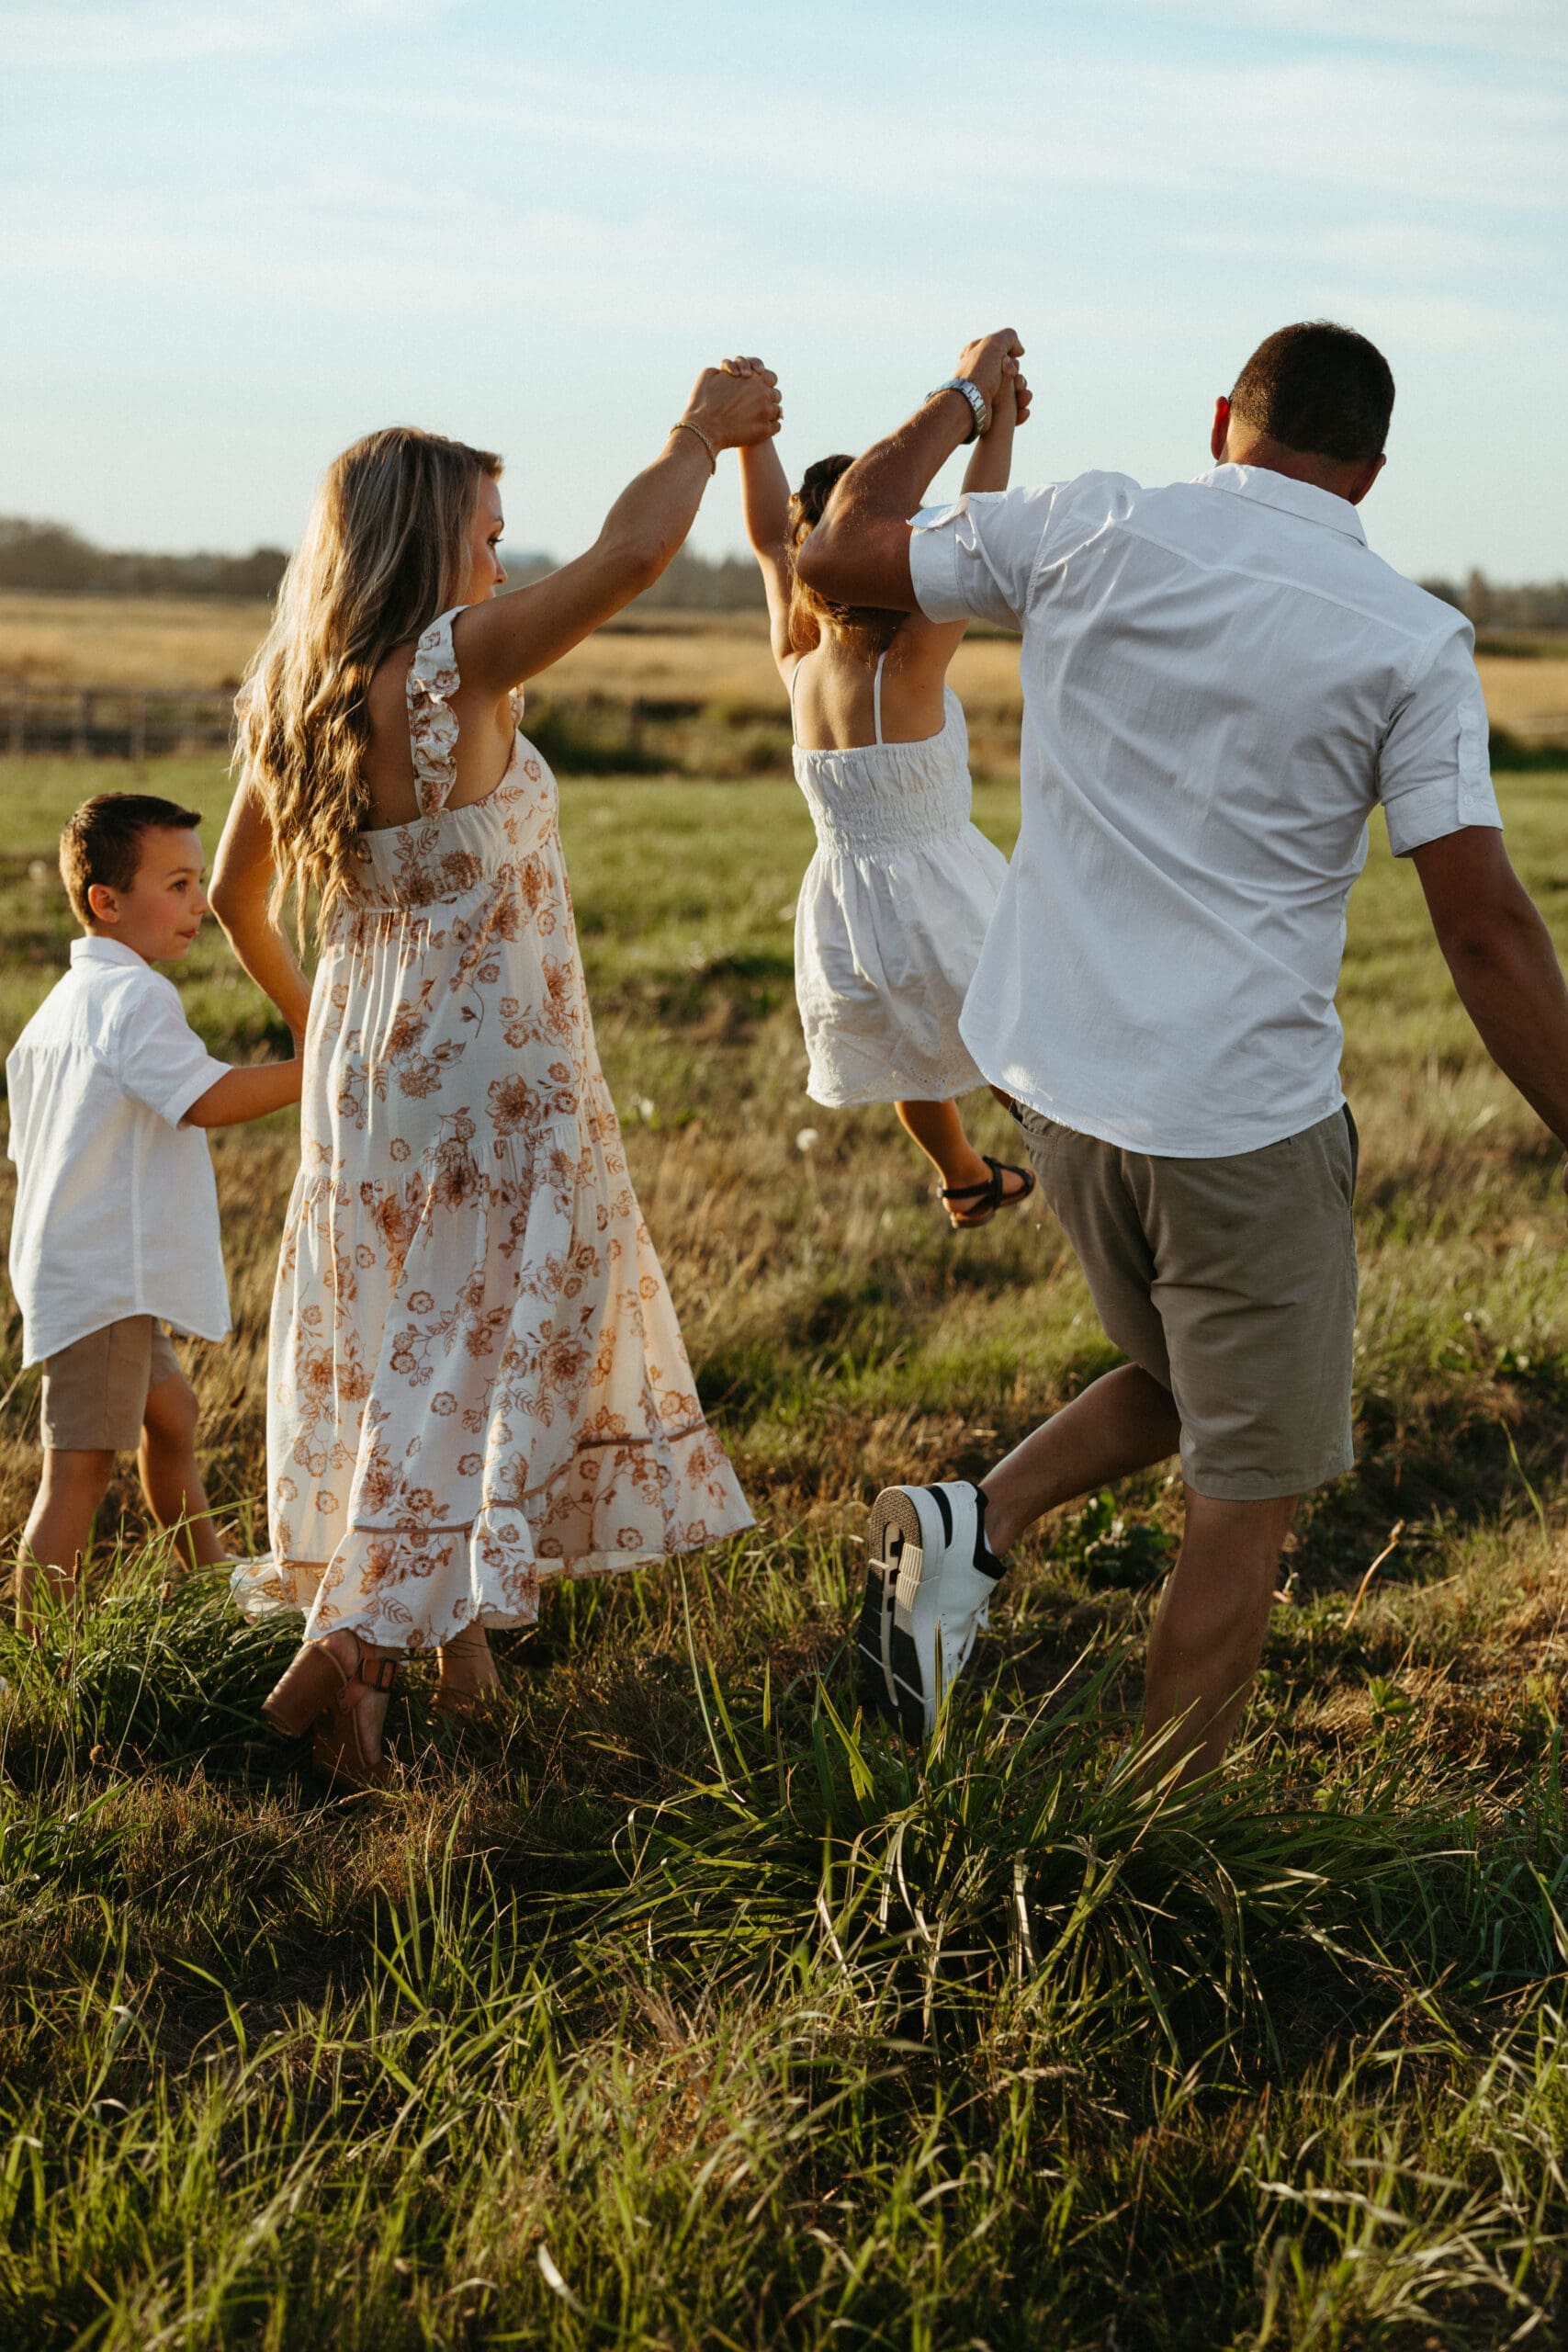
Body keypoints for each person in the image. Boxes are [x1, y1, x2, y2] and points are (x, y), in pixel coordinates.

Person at [798, 320, 1568, 1779]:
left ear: (1225, 419)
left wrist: (962, 400)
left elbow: (840, 556)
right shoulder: (1409, 639)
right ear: (1371, 473)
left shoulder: (1090, 523)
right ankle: (1163, 1840)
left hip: (1059, 1088)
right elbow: (1479, 929)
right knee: (1246, 1486)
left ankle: (970, 1526)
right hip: (1235, 1118)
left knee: (1191, 1378)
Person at [212, 368, 778, 1787]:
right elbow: (634, 558)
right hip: (495, 1075)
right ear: (426, 546)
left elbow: (234, 895)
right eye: (485, 533)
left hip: (366, 1067)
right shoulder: (452, 662)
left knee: (406, 1334)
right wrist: (696, 436)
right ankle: (350, 1643)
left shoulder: (299, 686)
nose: (503, 557)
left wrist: (331, 1030)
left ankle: (432, 1683)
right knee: (484, 1350)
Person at [733, 356, 1035, 1229]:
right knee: (1016, 1045)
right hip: (944, 892)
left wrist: (753, 442)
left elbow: (762, 539)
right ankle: (1069, 1153)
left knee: (909, 1058)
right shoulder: (907, 663)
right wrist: (997, 423)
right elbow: (981, 525)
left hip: (847, 907)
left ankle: (963, 1175)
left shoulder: (798, 667)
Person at [6, 793, 303, 1634]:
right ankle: (44, 1661)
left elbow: (33, 1154)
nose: (201, 905)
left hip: (88, 1267)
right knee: (82, 1471)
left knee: (174, 1418)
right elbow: (205, 1097)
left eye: (199, 882)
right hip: (105, 1273)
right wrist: (316, 1068)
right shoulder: (132, 998)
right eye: (177, 885)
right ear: (106, 901)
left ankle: (209, 1581)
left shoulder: (55, 1012)